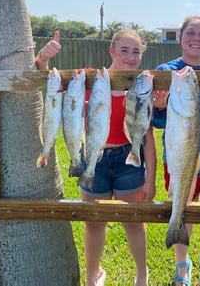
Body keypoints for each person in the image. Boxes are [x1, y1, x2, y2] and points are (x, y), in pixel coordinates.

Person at [36, 30, 156, 286]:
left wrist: (151, 179)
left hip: (129, 161)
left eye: (136, 51)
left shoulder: (143, 85)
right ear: (111, 51)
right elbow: (47, 84)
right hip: (93, 158)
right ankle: (92, 276)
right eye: (124, 50)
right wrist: (43, 59)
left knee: (134, 223)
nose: (131, 56)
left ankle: (142, 275)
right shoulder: (89, 76)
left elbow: (148, 137)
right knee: (93, 223)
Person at [152, 16, 200, 286]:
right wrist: (160, 108)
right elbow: (159, 123)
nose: (196, 38)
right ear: (181, 36)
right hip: (178, 157)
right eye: (190, 33)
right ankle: (181, 265)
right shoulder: (167, 70)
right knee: (181, 209)